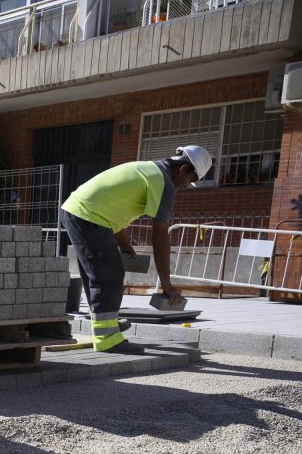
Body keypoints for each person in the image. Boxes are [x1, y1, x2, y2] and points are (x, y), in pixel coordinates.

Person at [61, 145, 211, 354]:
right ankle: (108, 339)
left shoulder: (150, 171)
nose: (186, 186)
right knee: (108, 275)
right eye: (189, 180)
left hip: (82, 212)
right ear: (184, 169)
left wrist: (123, 244)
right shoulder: (164, 183)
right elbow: (160, 236)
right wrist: (166, 284)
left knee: (98, 273)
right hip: (87, 215)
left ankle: (107, 325)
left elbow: (112, 210)